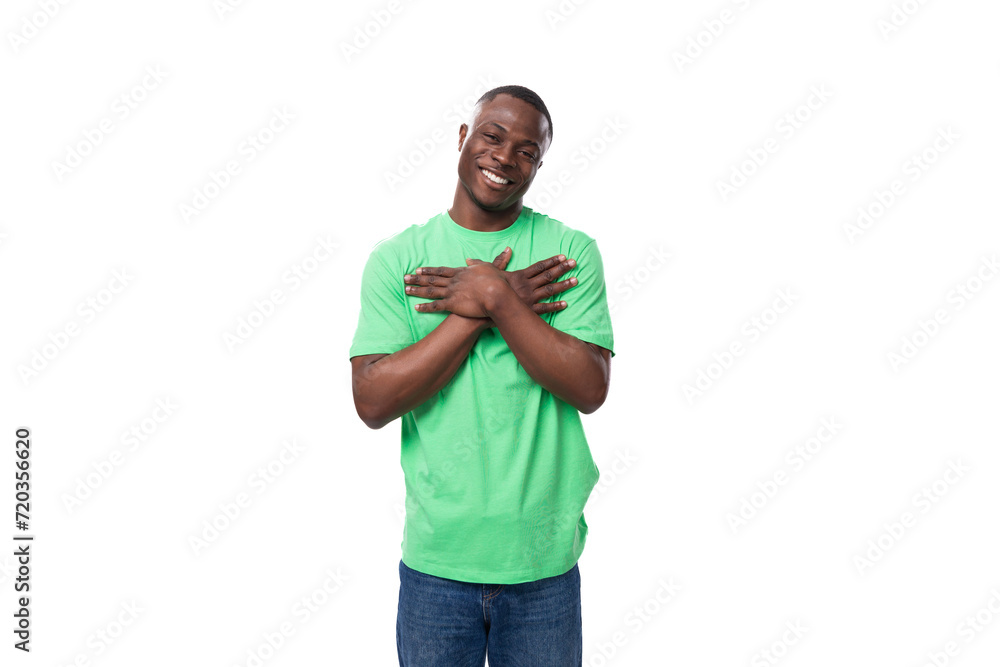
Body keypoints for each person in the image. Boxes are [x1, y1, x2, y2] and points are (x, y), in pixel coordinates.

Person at [349, 84, 615, 666]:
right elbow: (372, 401)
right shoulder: (398, 258)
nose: (505, 157)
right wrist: (482, 307)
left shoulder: (568, 252)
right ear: (465, 138)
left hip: (542, 564)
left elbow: (590, 387)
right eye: (493, 136)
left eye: (527, 150)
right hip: (438, 566)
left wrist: (497, 295)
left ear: (539, 165)